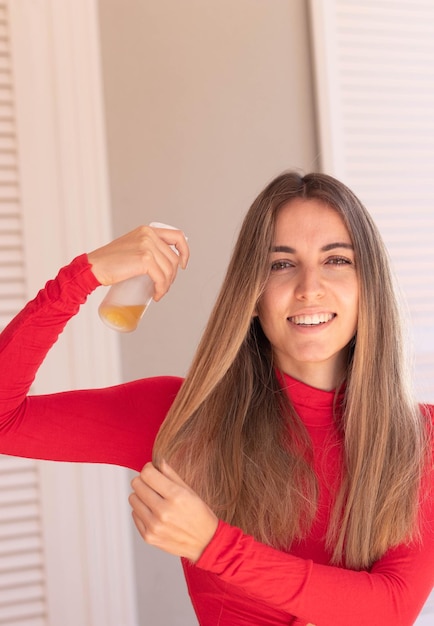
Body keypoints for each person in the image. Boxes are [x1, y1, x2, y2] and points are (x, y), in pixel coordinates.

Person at [0, 171, 433, 626]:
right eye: (280, 264)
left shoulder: (421, 440)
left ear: (370, 287)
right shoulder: (185, 420)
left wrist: (214, 545)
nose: (310, 287)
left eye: (337, 260)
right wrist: (83, 275)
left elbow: (390, 608)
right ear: (251, 296)